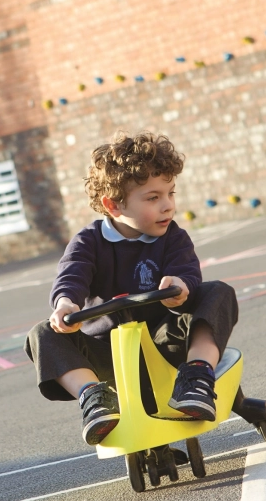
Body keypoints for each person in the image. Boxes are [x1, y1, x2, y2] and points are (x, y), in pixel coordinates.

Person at [25, 131, 238, 446]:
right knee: (42, 333)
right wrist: (66, 304)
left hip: (165, 342)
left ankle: (196, 375)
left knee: (217, 291)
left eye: (170, 193)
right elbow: (72, 274)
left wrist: (180, 285)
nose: (168, 206)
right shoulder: (89, 242)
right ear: (113, 205)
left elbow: (185, 269)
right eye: (153, 198)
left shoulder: (173, 238)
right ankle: (95, 397)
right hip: (108, 352)